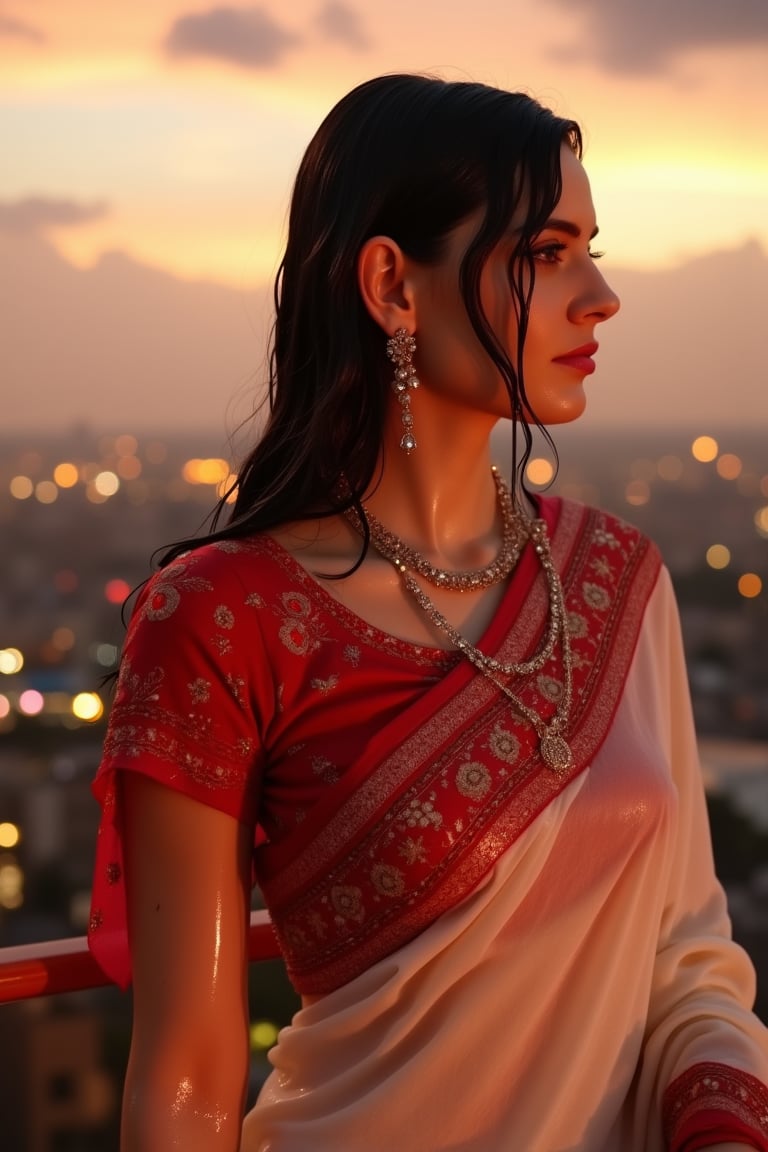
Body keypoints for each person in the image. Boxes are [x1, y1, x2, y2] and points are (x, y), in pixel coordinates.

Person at [88, 74, 768, 1151]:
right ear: (394, 286)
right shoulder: (223, 618)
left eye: (595, 247)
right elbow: (188, 1073)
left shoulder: (617, 582)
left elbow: (688, 952)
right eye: (545, 253)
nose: (600, 295)